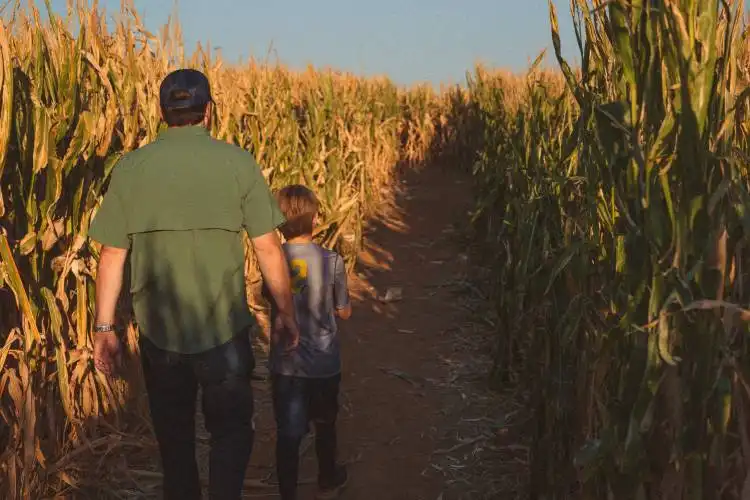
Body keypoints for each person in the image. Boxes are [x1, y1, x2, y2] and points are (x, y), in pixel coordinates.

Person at [89, 68, 301, 500]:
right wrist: (285, 313)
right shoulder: (237, 163)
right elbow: (268, 248)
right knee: (231, 430)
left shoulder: (131, 168)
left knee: (175, 437)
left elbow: (112, 255)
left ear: (162, 112)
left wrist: (104, 329)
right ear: (208, 111)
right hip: (223, 334)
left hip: (160, 338)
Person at [265, 185, 352, 500]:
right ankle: (328, 477)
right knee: (326, 423)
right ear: (315, 219)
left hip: (286, 362)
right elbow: (343, 311)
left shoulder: (272, 261)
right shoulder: (332, 260)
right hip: (324, 362)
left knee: (288, 433)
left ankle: (287, 491)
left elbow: (270, 300)